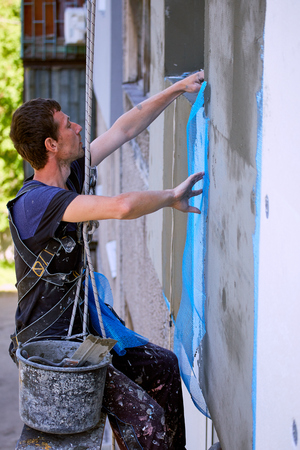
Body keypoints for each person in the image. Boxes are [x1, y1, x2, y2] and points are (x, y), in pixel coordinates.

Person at [8, 71, 205, 449]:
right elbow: (122, 206)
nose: (78, 126)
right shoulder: (34, 205)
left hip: (82, 333)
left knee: (163, 366)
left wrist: (177, 88)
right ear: (51, 144)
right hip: (54, 353)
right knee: (148, 423)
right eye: (68, 124)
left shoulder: (70, 173)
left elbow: (124, 130)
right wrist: (171, 197)